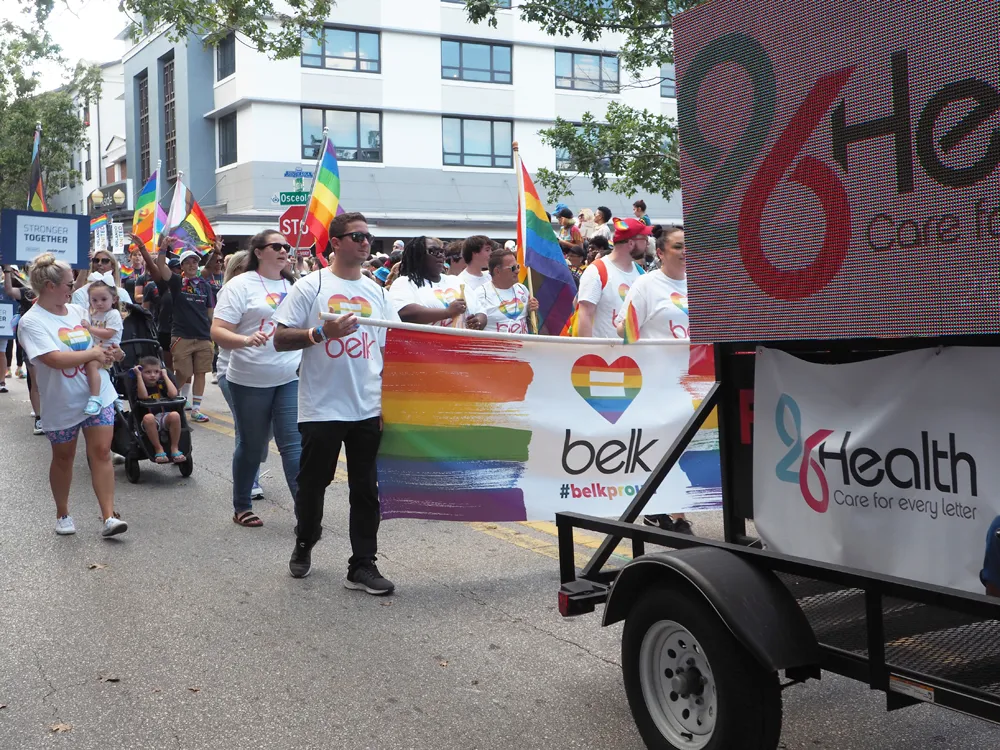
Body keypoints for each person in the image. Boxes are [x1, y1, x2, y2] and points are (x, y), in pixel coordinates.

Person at [273, 211, 399, 593]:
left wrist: (389, 403)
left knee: (366, 489)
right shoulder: (310, 287)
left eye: (368, 237)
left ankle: (362, 565)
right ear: (337, 242)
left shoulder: (379, 292)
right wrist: (319, 333)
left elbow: (391, 350)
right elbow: (280, 339)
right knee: (313, 484)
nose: (366, 242)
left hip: (367, 407)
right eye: (357, 236)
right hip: (322, 406)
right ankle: (305, 538)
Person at [17, 253, 127, 537]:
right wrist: (93, 353)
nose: (73, 288)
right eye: (69, 283)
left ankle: (109, 517)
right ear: (50, 286)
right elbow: (53, 359)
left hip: (97, 395)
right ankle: (63, 513)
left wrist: (110, 354)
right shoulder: (32, 322)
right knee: (64, 458)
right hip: (62, 401)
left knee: (101, 452)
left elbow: (96, 346)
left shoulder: (78, 312)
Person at [212, 230, 303, 528]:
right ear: (259, 252)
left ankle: (305, 512)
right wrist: (245, 340)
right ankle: (242, 505)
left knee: (293, 444)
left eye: (286, 246)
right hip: (248, 378)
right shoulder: (239, 285)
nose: (283, 250)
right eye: (276, 246)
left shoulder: (296, 286)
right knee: (252, 445)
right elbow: (218, 331)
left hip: (289, 375)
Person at [614, 227, 694, 535]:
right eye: (678, 246)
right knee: (665, 445)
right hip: (657, 382)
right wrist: (628, 327)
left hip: (694, 380)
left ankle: (667, 509)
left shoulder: (699, 283)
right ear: (660, 252)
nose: (685, 251)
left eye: (688, 246)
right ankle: (673, 515)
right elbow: (624, 331)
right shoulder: (647, 284)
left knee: (687, 446)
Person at [136, 238, 216, 422]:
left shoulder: (205, 285)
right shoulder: (177, 282)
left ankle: (196, 409)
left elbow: (210, 312)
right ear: (182, 267)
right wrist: (163, 248)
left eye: (194, 261)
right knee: (183, 373)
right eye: (187, 262)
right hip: (182, 336)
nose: (192, 265)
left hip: (203, 336)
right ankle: (167, 399)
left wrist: (213, 332)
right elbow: (161, 266)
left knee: (201, 373)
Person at [214, 251, 268, 501]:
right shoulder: (230, 292)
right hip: (233, 372)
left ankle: (249, 464)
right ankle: (250, 480)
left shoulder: (268, 291)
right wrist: (247, 338)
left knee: (264, 429)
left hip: (267, 374)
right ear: (236, 271)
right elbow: (221, 333)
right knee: (246, 427)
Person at [575, 217, 650, 338]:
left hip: (633, 349)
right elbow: (585, 316)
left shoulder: (641, 274)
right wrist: (588, 349)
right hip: (603, 349)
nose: (648, 244)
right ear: (631, 243)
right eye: (645, 239)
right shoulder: (597, 271)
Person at [388, 236, 475, 327]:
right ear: (417, 255)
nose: (440, 255)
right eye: (433, 251)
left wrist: (478, 321)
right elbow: (404, 312)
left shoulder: (455, 281)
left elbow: (480, 310)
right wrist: (447, 312)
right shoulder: (404, 282)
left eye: (441, 251)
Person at [3, 266, 42, 432]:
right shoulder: (27, 292)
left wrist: (84, 268)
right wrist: (7, 271)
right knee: (35, 380)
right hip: (31, 340)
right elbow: (9, 290)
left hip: (52, 339)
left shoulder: (55, 290)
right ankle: (39, 418)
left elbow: (75, 287)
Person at [468, 248, 539, 334]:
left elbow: (532, 325)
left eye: (517, 266)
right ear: (497, 271)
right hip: (495, 343)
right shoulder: (481, 294)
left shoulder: (522, 289)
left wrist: (532, 312)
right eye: (513, 268)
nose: (517, 271)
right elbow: (474, 326)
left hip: (522, 342)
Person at [82, 280, 124, 416]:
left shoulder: (113, 314)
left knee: (91, 366)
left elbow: (108, 333)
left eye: (103, 299)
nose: (99, 303)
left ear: (114, 299)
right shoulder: (94, 314)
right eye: (94, 300)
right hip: (96, 349)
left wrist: (90, 328)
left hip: (107, 351)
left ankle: (95, 398)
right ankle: (114, 398)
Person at [132, 356, 185, 464]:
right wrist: (138, 375)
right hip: (149, 420)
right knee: (149, 418)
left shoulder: (161, 384)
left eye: (156, 372)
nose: (152, 375)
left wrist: (165, 375)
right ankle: (158, 448)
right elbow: (143, 396)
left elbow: (173, 394)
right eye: (148, 372)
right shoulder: (139, 385)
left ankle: (174, 448)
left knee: (175, 415)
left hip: (165, 417)